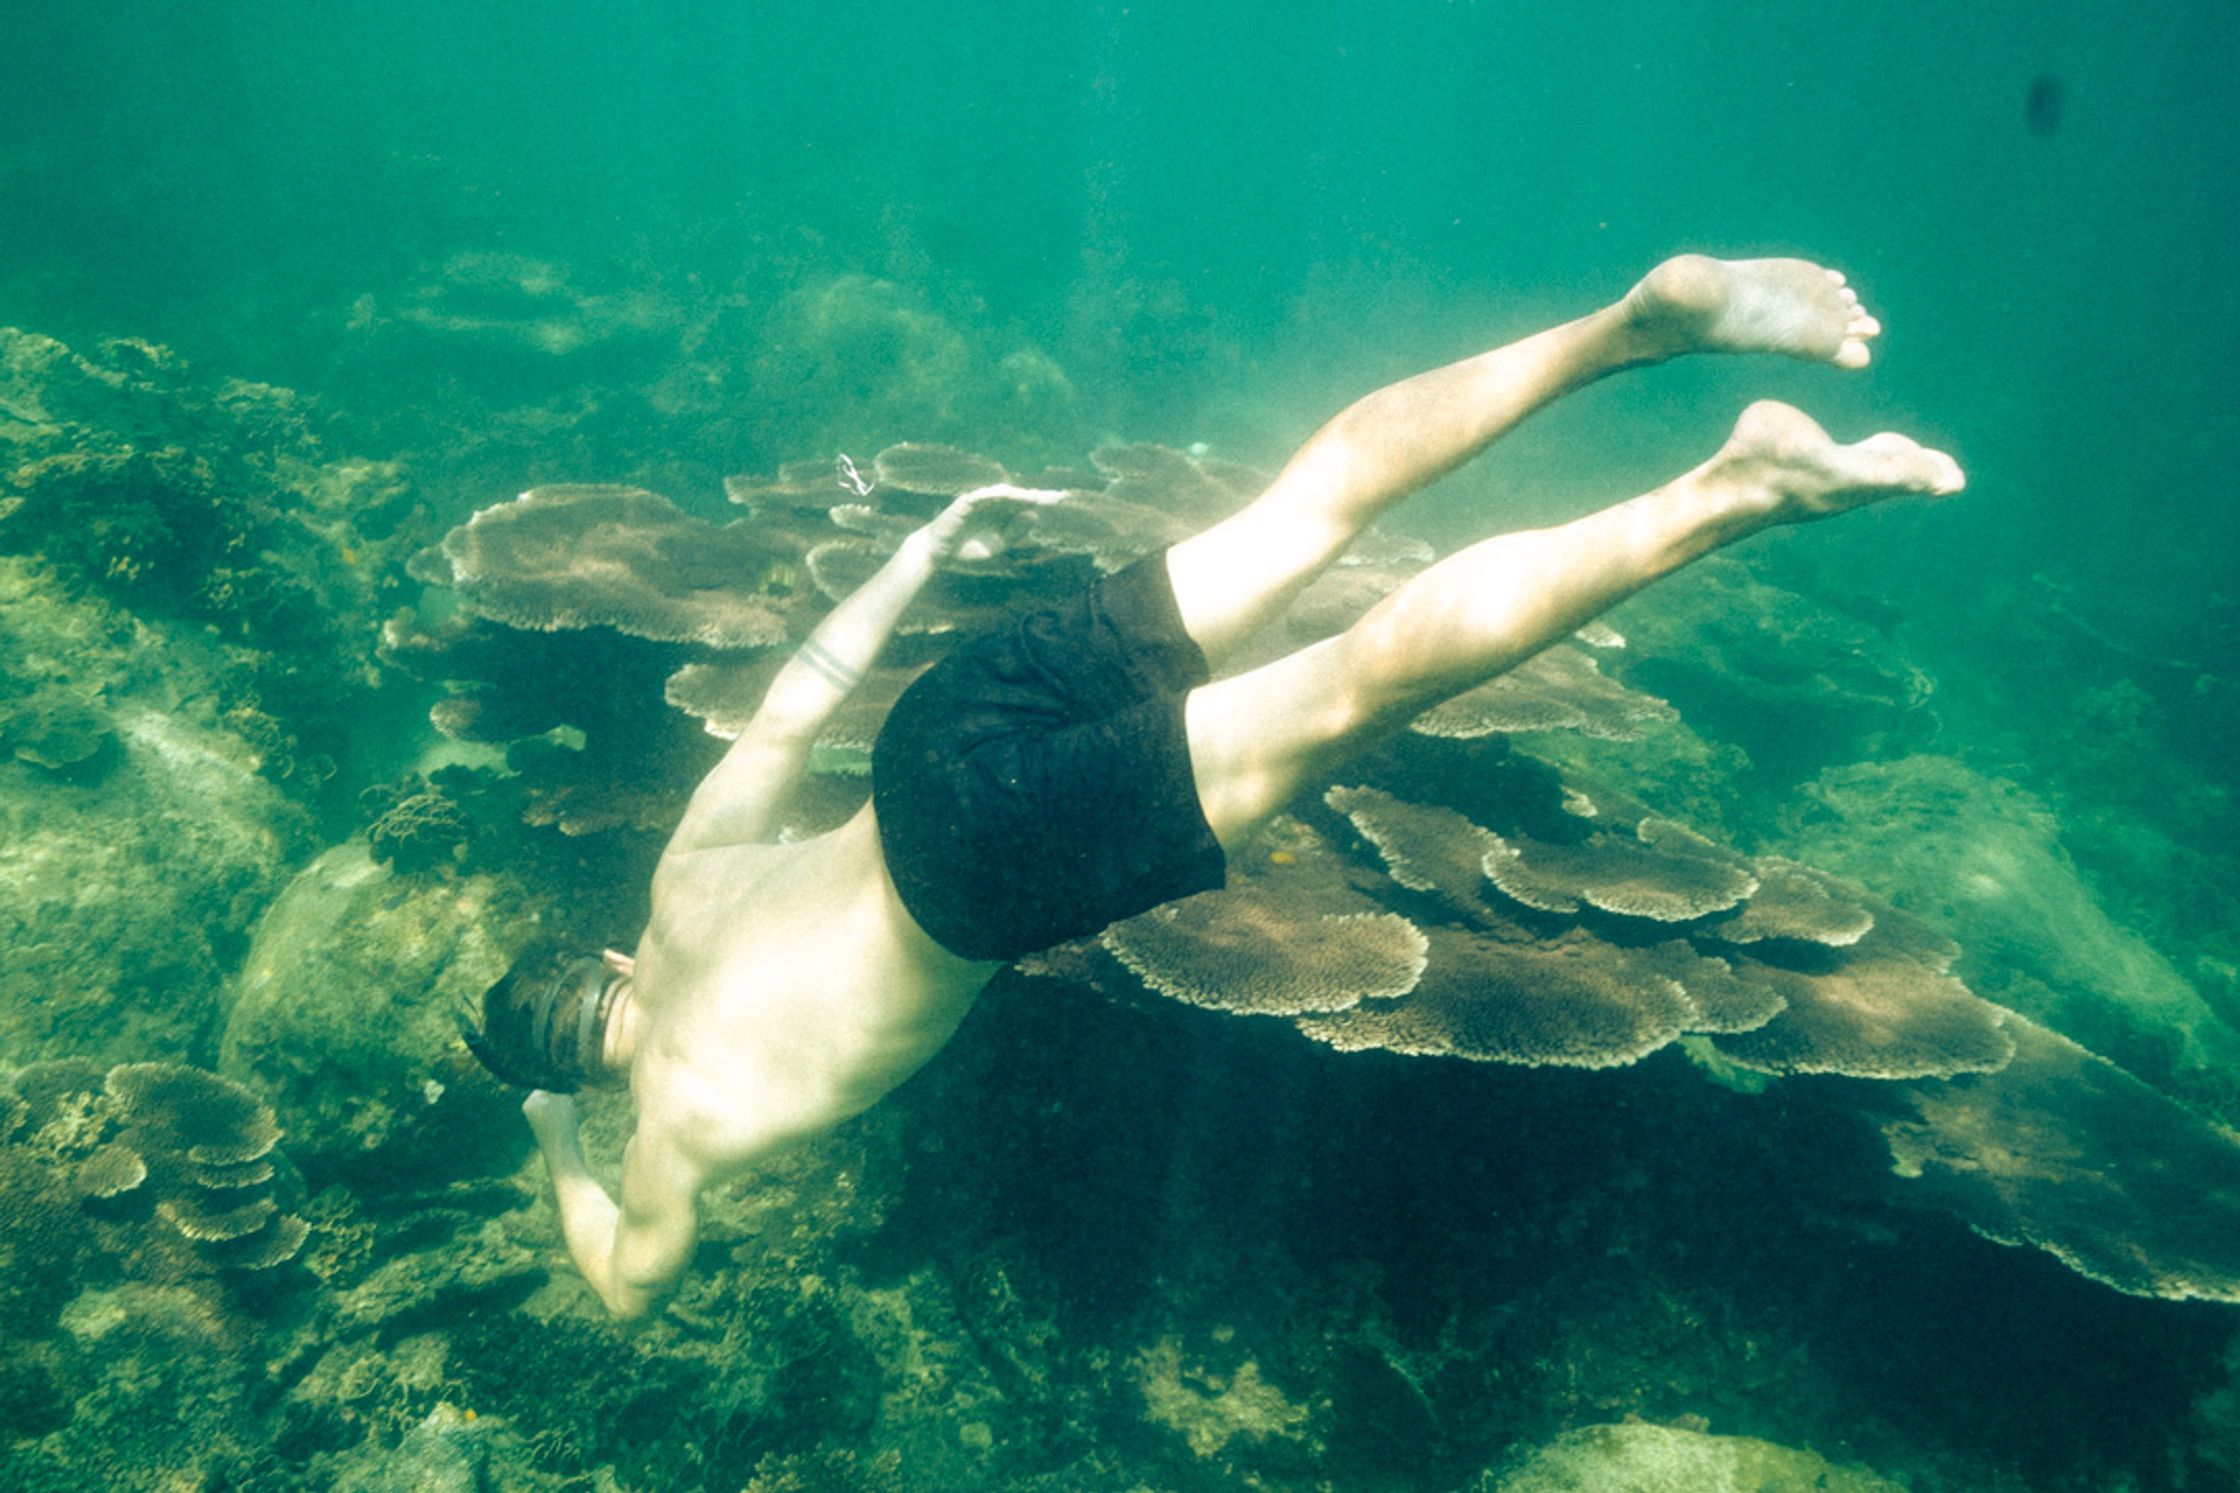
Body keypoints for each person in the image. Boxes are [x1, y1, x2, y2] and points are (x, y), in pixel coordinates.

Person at [461, 253, 1963, 1320]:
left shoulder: (664, 1127)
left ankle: (1737, 487)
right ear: (599, 958)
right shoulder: (674, 886)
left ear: (594, 1054)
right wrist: (918, 551)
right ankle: (1631, 325)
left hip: (974, 872)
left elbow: (624, 1283)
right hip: (928, 733)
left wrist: (551, 1143)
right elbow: (792, 702)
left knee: (1362, 680)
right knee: (1301, 510)